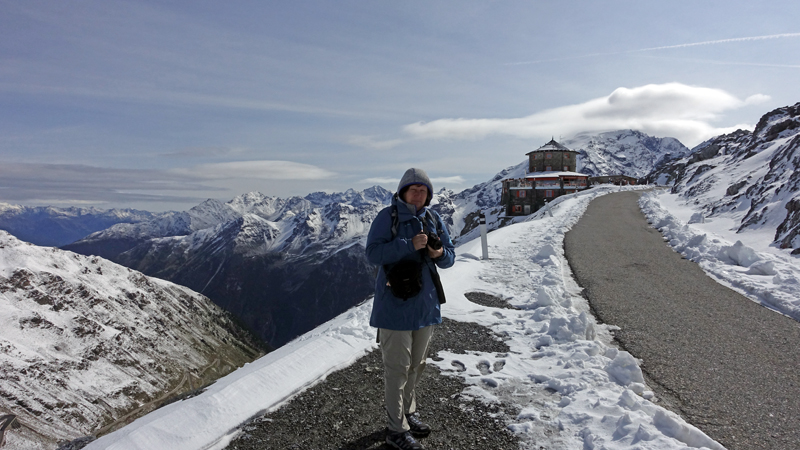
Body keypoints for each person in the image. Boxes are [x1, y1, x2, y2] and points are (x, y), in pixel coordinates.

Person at [366, 168, 456, 450]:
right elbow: (372, 254)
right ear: (402, 192)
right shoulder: (388, 217)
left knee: (416, 366)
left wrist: (438, 253)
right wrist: (408, 244)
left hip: (425, 307)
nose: (418, 194)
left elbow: (450, 258)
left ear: (428, 196)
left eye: (423, 191)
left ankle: (407, 412)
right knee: (397, 369)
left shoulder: (433, 218)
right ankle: (396, 430)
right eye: (412, 189)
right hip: (394, 308)